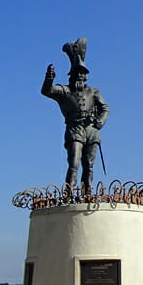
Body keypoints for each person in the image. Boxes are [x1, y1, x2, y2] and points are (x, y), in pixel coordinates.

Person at [41, 38, 109, 193]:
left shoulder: (93, 91)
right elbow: (47, 91)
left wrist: (100, 121)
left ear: (85, 76)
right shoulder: (65, 91)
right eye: (77, 73)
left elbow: (105, 108)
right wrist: (49, 77)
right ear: (71, 75)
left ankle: (87, 193)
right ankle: (69, 192)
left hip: (91, 130)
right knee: (74, 163)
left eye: (82, 73)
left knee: (89, 164)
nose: (79, 75)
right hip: (74, 129)